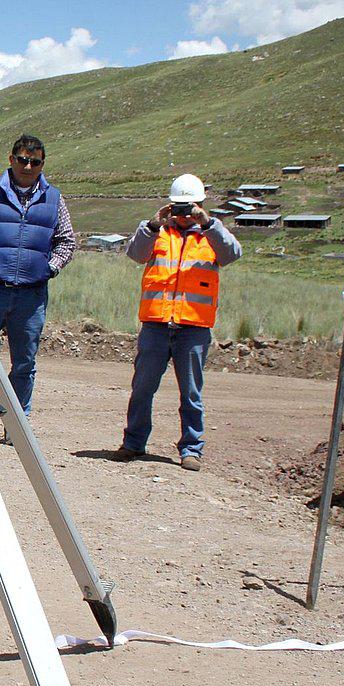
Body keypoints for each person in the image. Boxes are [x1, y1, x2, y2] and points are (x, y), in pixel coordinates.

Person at [113, 173, 242, 471]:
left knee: (191, 392)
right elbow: (135, 254)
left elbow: (232, 253)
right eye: (178, 207)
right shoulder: (156, 232)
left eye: (189, 207)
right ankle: (133, 443)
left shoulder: (210, 235)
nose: (183, 214)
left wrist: (208, 223)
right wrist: (153, 225)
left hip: (193, 327)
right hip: (156, 324)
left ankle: (191, 448)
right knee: (142, 388)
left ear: (200, 204)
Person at [0, 133, 75, 419]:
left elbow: (67, 240)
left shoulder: (54, 199)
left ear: (42, 165)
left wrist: (52, 267)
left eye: (35, 162)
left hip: (32, 297)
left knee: (24, 363)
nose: (28, 167)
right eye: (23, 160)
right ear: (11, 159)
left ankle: (16, 425)